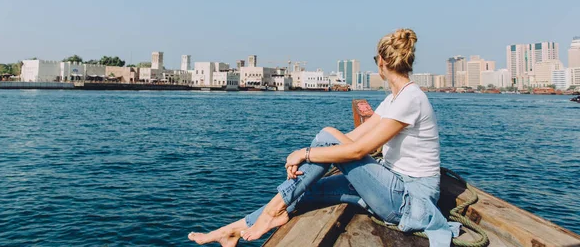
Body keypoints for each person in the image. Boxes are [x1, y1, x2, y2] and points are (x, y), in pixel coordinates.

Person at [188, 29, 458, 247]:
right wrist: (314, 150)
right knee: (310, 183)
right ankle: (233, 230)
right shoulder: (394, 99)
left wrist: (305, 154)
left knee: (325, 138)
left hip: (409, 200)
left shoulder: (411, 98)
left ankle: (272, 212)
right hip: (390, 185)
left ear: (382, 62)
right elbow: (353, 138)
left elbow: (356, 151)